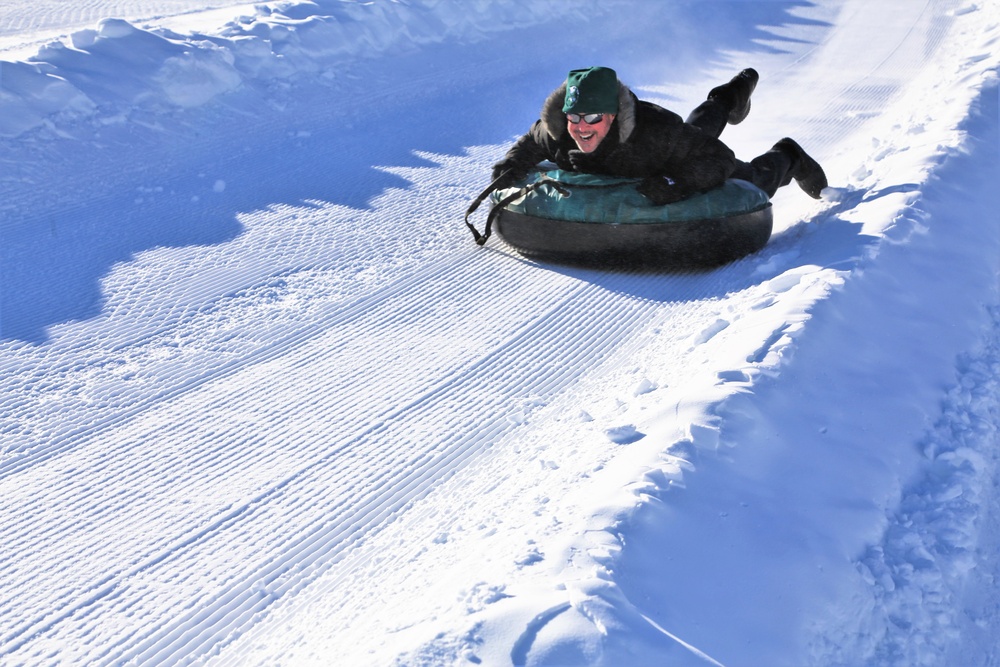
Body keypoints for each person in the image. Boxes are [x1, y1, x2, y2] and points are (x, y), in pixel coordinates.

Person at [490, 66, 827, 206]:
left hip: (665, 156)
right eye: (574, 116)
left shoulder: (653, 133)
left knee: (753, 179)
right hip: (674, 143)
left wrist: (675, 182)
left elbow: (717, 157)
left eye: (592, 117)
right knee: (695, 134)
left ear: (612, 115)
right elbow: (532, 142)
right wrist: (511, 164)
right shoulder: (558, 130)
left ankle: (789, 154)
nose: (581, 127)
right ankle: (726, 99)